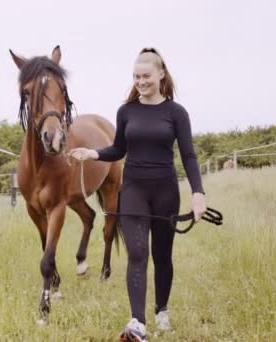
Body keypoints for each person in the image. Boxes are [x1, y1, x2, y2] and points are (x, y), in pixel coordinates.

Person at [68, 47, 206, 341]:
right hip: (133, 189)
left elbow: (189, 155)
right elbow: (119, 149)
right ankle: (137, 323)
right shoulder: (126, 111)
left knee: (162, 255)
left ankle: (162, 310)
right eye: (136, 76)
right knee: (138, 253)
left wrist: (198, 193)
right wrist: (92, 152)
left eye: (145, 76)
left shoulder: (176, 113)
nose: (140, 81)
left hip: (165, 190)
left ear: (160, 75)